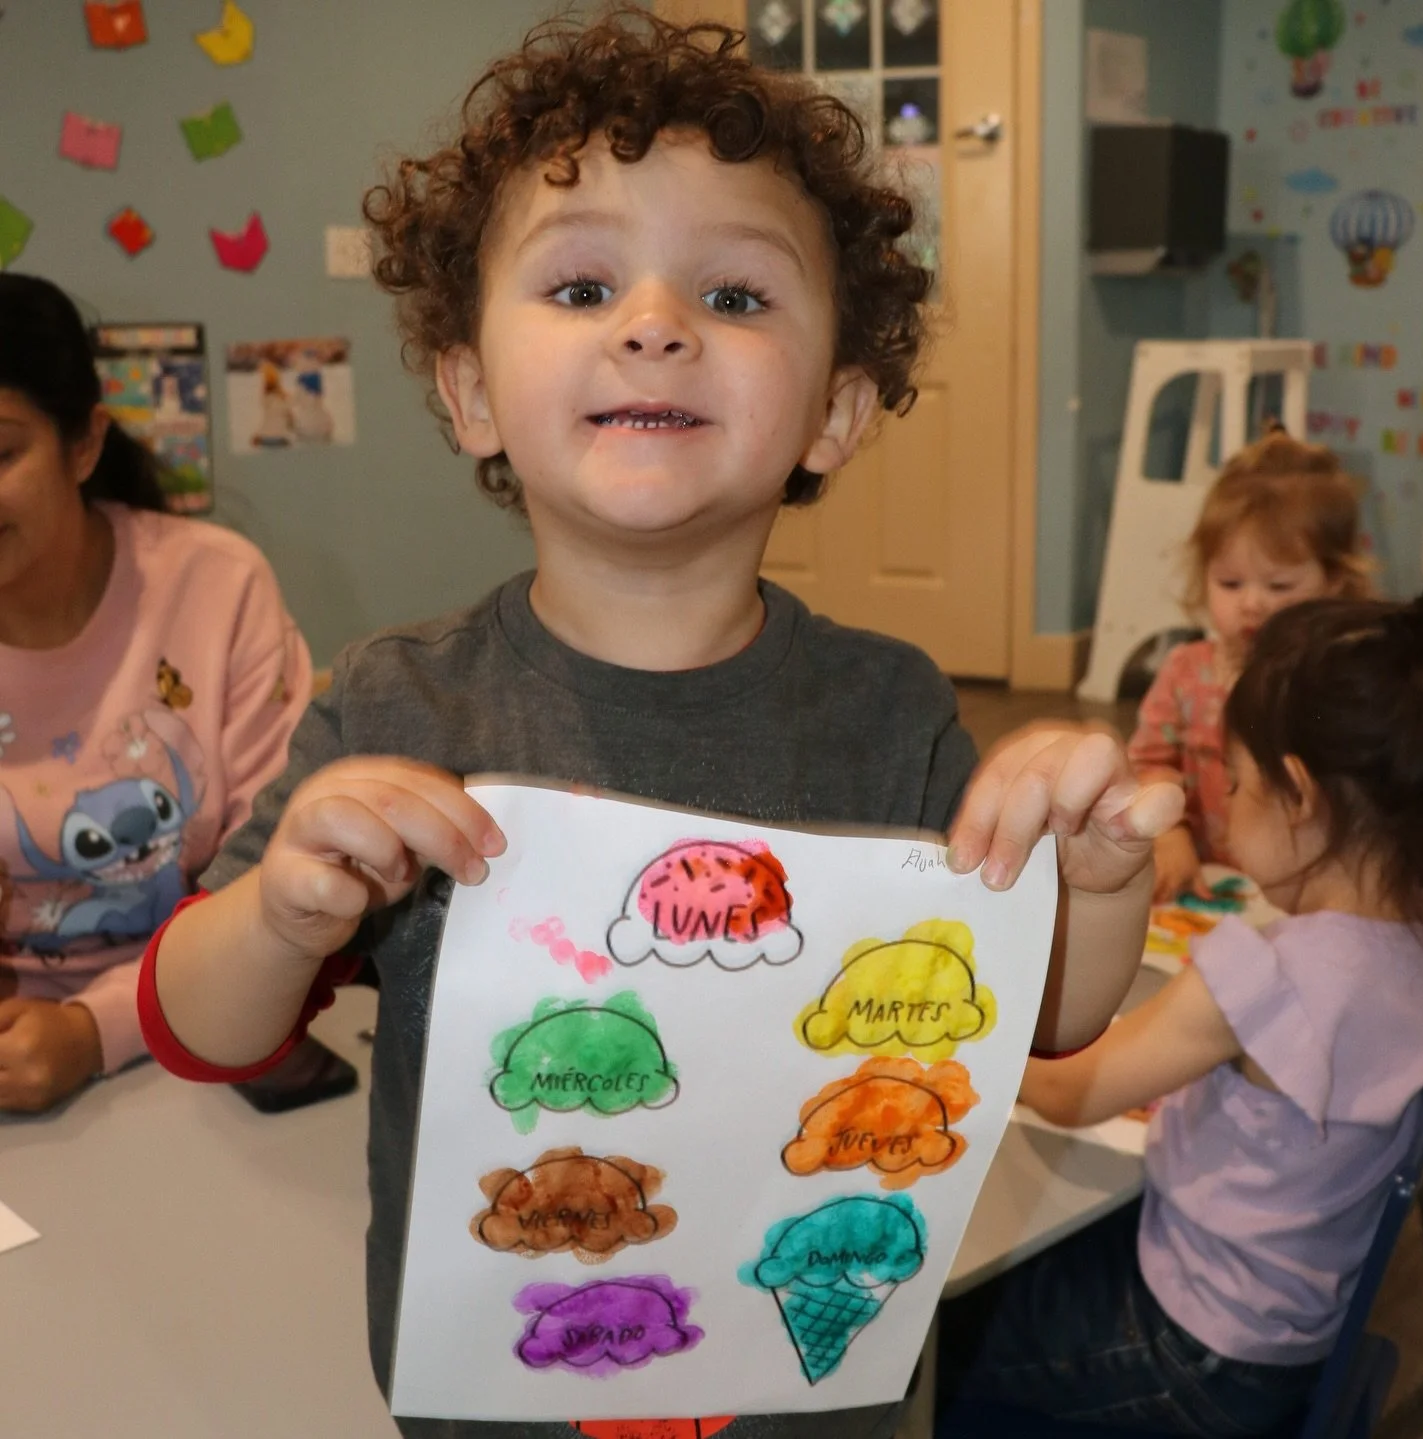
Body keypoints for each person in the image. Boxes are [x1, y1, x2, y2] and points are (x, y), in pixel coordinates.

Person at [139, 12, 1182, 1438]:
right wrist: (279, 912)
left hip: (807, 1399)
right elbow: (199, 1024)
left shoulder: (892, 705)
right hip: (499, 1390)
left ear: (837, 410)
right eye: (580, 281)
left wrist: (1103, 874)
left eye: (739, 297)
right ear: (467, 392)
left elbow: (1053, 1014)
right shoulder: (399, 702)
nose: (653, 320)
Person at [941, 575, 1423, 1436]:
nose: (1227, 803)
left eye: (1236, 785)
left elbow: (1069, 1089)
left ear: (1301, 794)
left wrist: (959, 1032)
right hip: (1293, 1335)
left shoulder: (1272, 974)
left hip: (1190, 1351)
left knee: (950, 1328)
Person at [0, 273, 311, 1112]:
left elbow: (276, 878)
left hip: (204, 1036)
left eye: (0, 453)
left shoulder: (215, 587)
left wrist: (94, 1029)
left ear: (84, 444)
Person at [1129, 426, 1370, 901]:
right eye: (1230, 583)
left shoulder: (1340, 680)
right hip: (1203, 882)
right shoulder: (1184, 673)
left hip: (1308, 895)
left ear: (1335, 581)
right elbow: (1147, 763)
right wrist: (1169, 833)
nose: (1252, 604)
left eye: (1279, 586)